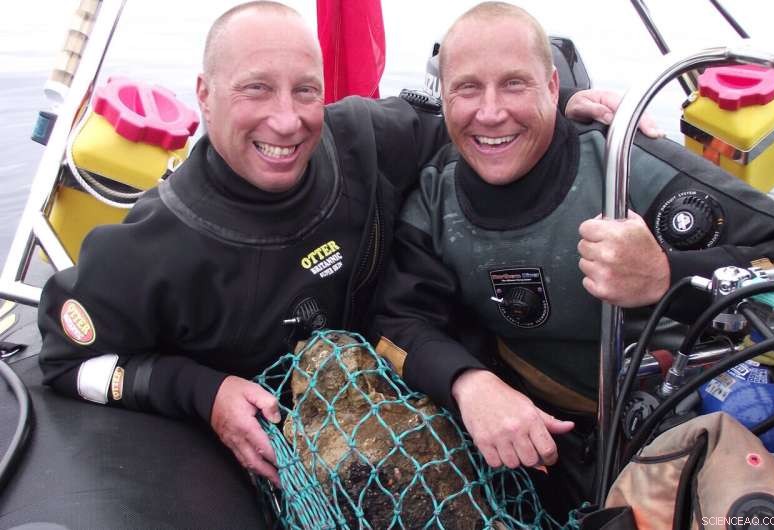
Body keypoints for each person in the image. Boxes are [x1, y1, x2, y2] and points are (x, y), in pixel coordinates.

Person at [37, 1, 649, 490]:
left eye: (305, 91)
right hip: (266, 456)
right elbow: (68, 363)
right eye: (256, 90)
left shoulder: (362, 139)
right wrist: (203, 392)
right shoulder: (151, 247)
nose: (287, 120)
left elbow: (475, 128)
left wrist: (566, 109)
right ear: (204, 93)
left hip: (401, 393)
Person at [372, 1, 774, 520]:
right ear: (442, 96)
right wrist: (470, 383)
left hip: (688, 419)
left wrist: (668, 276)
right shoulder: (434, 203)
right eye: (467, 88)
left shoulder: (629, 165)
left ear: (553, 88)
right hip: (551, 441)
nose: (490, 112)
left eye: (514, 84)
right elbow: (400, 321)